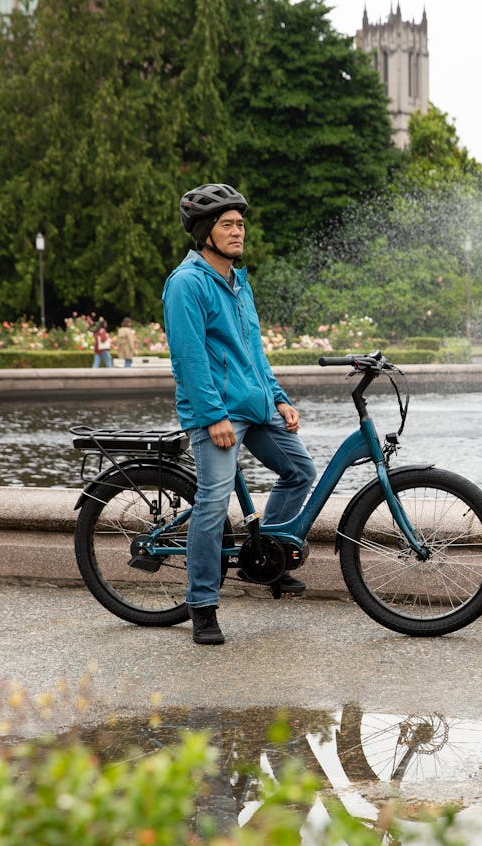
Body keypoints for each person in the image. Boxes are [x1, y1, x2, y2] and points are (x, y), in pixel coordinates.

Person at [163, 183, 316, 645]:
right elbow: (189, 359)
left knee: (300, 472)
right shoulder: (186, 284)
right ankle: (203, 605)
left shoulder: (239, 283)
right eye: (228, 224)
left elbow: (253, 352)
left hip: (255, 405)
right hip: (216, 414)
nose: (238, 231)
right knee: (212, 503)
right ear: (205, 231)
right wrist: (212, 417)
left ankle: (264, 556)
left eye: (240, 224)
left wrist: (279, 397)